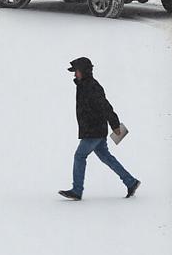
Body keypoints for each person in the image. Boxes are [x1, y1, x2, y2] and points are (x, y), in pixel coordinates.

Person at [59, 57, 140, 201]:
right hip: (93, 129)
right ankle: (131, 182)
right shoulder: (84, 85)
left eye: (76, 71)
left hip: (94, 130)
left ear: (84, 71)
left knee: (79, 156)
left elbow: (105, 106)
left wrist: (115, 124)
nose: (74, 74)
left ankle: (77, 190)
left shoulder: (92, 87)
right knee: (106, 157)